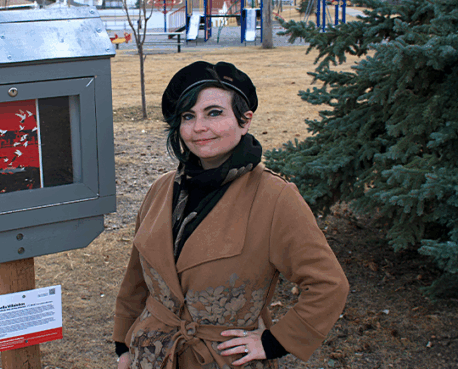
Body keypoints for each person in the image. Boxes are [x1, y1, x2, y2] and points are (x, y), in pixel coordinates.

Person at [113, 61, 349, 369]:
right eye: (188, 116)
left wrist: (274, 342)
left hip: (224, 361)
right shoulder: (161, 190)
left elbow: (328, 284)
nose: (199, 127)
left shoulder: (275, 198)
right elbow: (136, 279)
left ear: (244, 120)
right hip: (151, 355)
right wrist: (123, 346)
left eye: (214, 113)